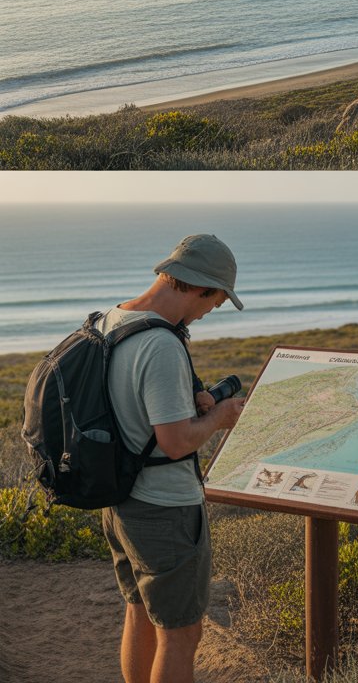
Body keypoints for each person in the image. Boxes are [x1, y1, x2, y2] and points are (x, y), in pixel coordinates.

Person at [99, 234, 246, 683]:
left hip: (120, 500)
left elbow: (129, 405)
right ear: (199, 288)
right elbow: (177, 441)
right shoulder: (161, 346)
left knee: (140, 613)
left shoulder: (111, 317)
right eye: (215, 303)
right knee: (181, 635)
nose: (209, 313)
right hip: (164, 509)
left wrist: (189, 398)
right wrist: (220, 417)